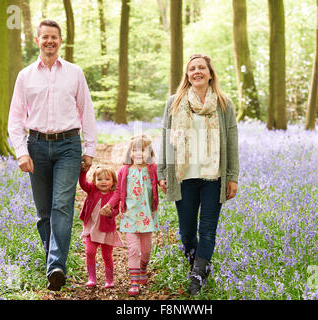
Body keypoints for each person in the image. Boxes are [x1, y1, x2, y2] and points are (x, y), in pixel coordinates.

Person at [8, 20, 97, 291]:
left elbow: (87, 111)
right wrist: (22, 152)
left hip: (69, 145)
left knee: (61, 205)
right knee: (44, 212)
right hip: (36, 146)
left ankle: (56, 265)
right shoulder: (25, 76)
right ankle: (53, 263)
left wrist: (89, 149)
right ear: (37, 40)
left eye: (54, 37)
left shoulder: (74, 73)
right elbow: (15, 119)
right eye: (45, 37)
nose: (50, 41)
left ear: (61, 41)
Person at [158, 53, 239, 296]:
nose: (197, 72)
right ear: (187, 74)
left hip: (214, 176)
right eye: (192, 68)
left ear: (210, 73)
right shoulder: (175, 102)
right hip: (185, 176)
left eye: (201, 68)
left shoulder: (224, 104)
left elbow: (232, 142)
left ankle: (197, 276)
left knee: (208, 229)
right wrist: (163, 171)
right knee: (186, 231)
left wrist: (232, 176)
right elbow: (165, 139)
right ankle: (199, 263)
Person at [100, 135, 159, 296]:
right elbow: (118, 192)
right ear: (130, 152)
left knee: (146, 250)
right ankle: (134, 282)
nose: (138, 153)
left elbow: (161, 181)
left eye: (143, 150)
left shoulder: (152, 168)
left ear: (150, 152)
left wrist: (166, 185)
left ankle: (143, 267)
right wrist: (109, 205)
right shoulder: (124, 170)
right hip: (130, 216)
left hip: (147, 216)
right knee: (133, 250)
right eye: (135, 150)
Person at [78, 166, 124, 289]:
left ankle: (109, 280)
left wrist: (111, 213)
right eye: (99, 179)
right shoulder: (92, 190)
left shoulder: (114, 196)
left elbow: (116, 210)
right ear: (94, 181)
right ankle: (91, 278)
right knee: (89, 252)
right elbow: (82, 184)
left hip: (106, 230)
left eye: (107, 179)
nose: (103, 181)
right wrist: (83, 172)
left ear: (113, 182)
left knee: (107, 256)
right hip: (91, 229)